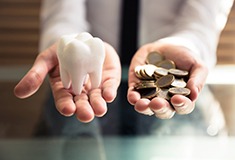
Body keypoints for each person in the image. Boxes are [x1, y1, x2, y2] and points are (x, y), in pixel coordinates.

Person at [14, 0, 233, 136]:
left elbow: (202, 21)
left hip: (186, 126)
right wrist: (66, 43)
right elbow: (63, 14)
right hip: (88, 91)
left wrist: (186, 48)